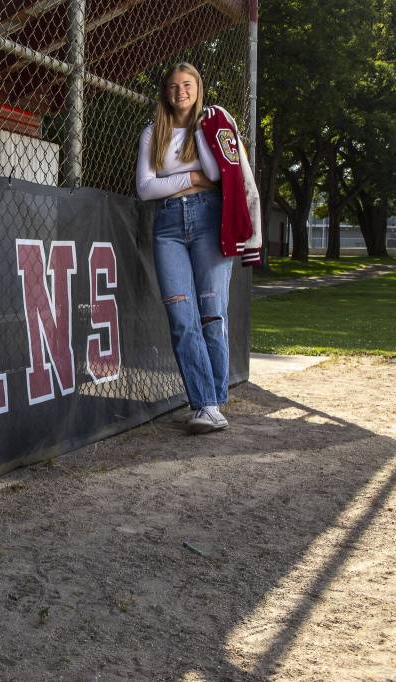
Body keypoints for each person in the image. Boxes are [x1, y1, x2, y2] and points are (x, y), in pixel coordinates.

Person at [136, 62, 237, 434]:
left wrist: (183, 177)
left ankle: (213, 399)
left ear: (199, 88)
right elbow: (145, 189)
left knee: (212, 315)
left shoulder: (210, 126)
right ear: (166, 91)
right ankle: (206, 404)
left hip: (209, 221)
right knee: (182, 319)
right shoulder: (152, 134)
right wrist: (190, 178)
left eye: (188, 84)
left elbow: (214, 174)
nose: (181, 91)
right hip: (168, 227)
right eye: (174, 85)